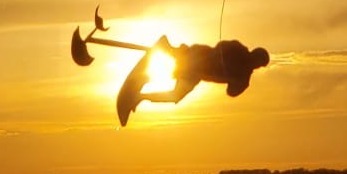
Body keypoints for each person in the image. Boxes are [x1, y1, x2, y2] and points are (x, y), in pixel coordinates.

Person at [116, 36, 270, 127]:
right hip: (199, 59)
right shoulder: (240, 50)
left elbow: (231, 92)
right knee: (176, 90)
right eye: (256, 58)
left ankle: (140, 95)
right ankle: (140, 93)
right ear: (254, 54)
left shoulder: (244, 78)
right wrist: (222, 60)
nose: (255, 63)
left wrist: (238, 82)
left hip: (196, 73)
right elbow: (221, 46)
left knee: (176, 95)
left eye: (258, 63)